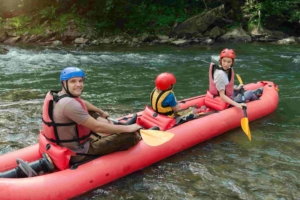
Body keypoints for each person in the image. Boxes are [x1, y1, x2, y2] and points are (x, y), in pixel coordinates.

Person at [39, 67, 142, 170]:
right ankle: (135, 135)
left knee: (89, 111)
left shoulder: (59, 96)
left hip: (66, 142)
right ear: (64, 83)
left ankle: (115, 126)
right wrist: (128, 129)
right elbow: (97, 127)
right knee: (129, 136)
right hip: (78, 152)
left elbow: (82, 103)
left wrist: (100, 112)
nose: (78, 84)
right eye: (73, 81)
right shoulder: (69, 104)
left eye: (80, 81)